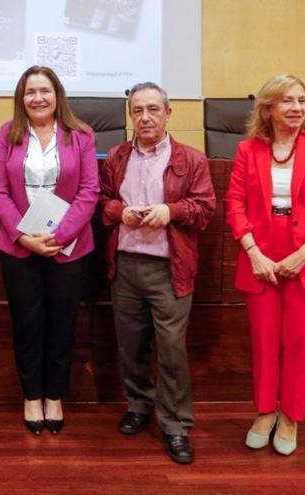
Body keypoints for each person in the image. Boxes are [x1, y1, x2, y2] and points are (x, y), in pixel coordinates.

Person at [224, 74, 305, 456]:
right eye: (287, 101)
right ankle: (264, 412)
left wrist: (301, 255)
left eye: (301, 100)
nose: (297, 108)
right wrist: (255, 254)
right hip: (261, 261)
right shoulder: (249, 150)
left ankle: (290, 416)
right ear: (268, 109)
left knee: (300, 344)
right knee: (263, 343)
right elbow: (234, 205)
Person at [98, 82, 215, 464]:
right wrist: (120, 212)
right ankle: (138, 404)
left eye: (152, 109)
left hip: (171, 268)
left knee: (171, 350)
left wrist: (172, 212)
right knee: (130, 345)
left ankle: (177, 426)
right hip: (126, 265)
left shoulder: (191, 159)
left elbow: (205, 209)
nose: (144, 117)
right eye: (137, 110)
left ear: (168, 113)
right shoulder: (115, 156)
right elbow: (100, 204)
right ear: (129, 115)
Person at [0, 66, 99, 436]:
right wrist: (24, 237)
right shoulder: (8, 134)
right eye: (30, 91)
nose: (38, 97)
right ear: (21, 98)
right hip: (19, 247)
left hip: (69, 248)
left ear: (57, 95)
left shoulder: (81, 135)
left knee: (62, 325)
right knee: (28, 325)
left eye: (45, 91)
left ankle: (55, 395)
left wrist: (60, 235)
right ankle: (32, 395)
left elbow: (89, 191)